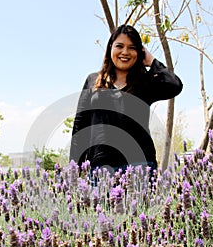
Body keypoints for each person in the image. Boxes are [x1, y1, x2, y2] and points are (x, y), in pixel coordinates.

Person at [69, 24, 183, 177]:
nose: (125, 52)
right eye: (119, 46)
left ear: (139, 52)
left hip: (140, 166)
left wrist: (151, 61)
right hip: (100, 167)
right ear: (110, 48)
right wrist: (74, 169)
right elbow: (80, 125)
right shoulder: (93, 81)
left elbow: (174, 85)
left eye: (132, 47)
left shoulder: (145, 83)